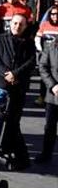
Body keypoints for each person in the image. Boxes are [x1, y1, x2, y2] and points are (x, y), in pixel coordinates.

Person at [0, 14, 37, 170]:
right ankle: (0, 152)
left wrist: (15, 74)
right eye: (15, 23)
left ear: (25, 26)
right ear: (10, 24)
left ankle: (17, 156)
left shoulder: (29, 43)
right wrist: (6, 74)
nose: (17, 26)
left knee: (13, 122)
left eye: (21, 24)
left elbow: (31, 62)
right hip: (0, 86)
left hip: (18, 86)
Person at [37, 35, 58, 163]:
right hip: (53, 95)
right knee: (50, 127)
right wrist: (53, 85)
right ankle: (46, 155)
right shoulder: (50, 47)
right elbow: (43, 67)